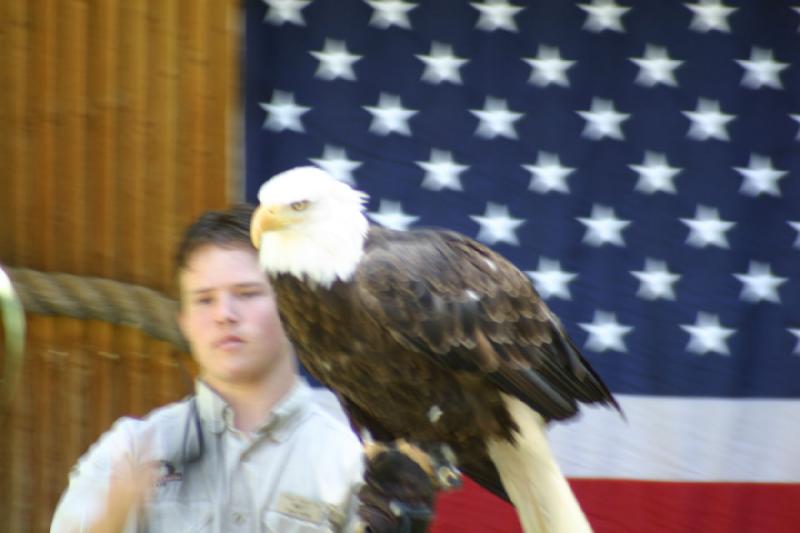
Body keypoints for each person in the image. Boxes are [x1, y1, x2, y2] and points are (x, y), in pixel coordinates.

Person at [50, 204, 365, 532]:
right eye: (204, 300)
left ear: (295, 308)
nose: (224, 314)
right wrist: (111, 521)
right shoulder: (131, 452)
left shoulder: (350, 456)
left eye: (246, 293)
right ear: (184, 323)